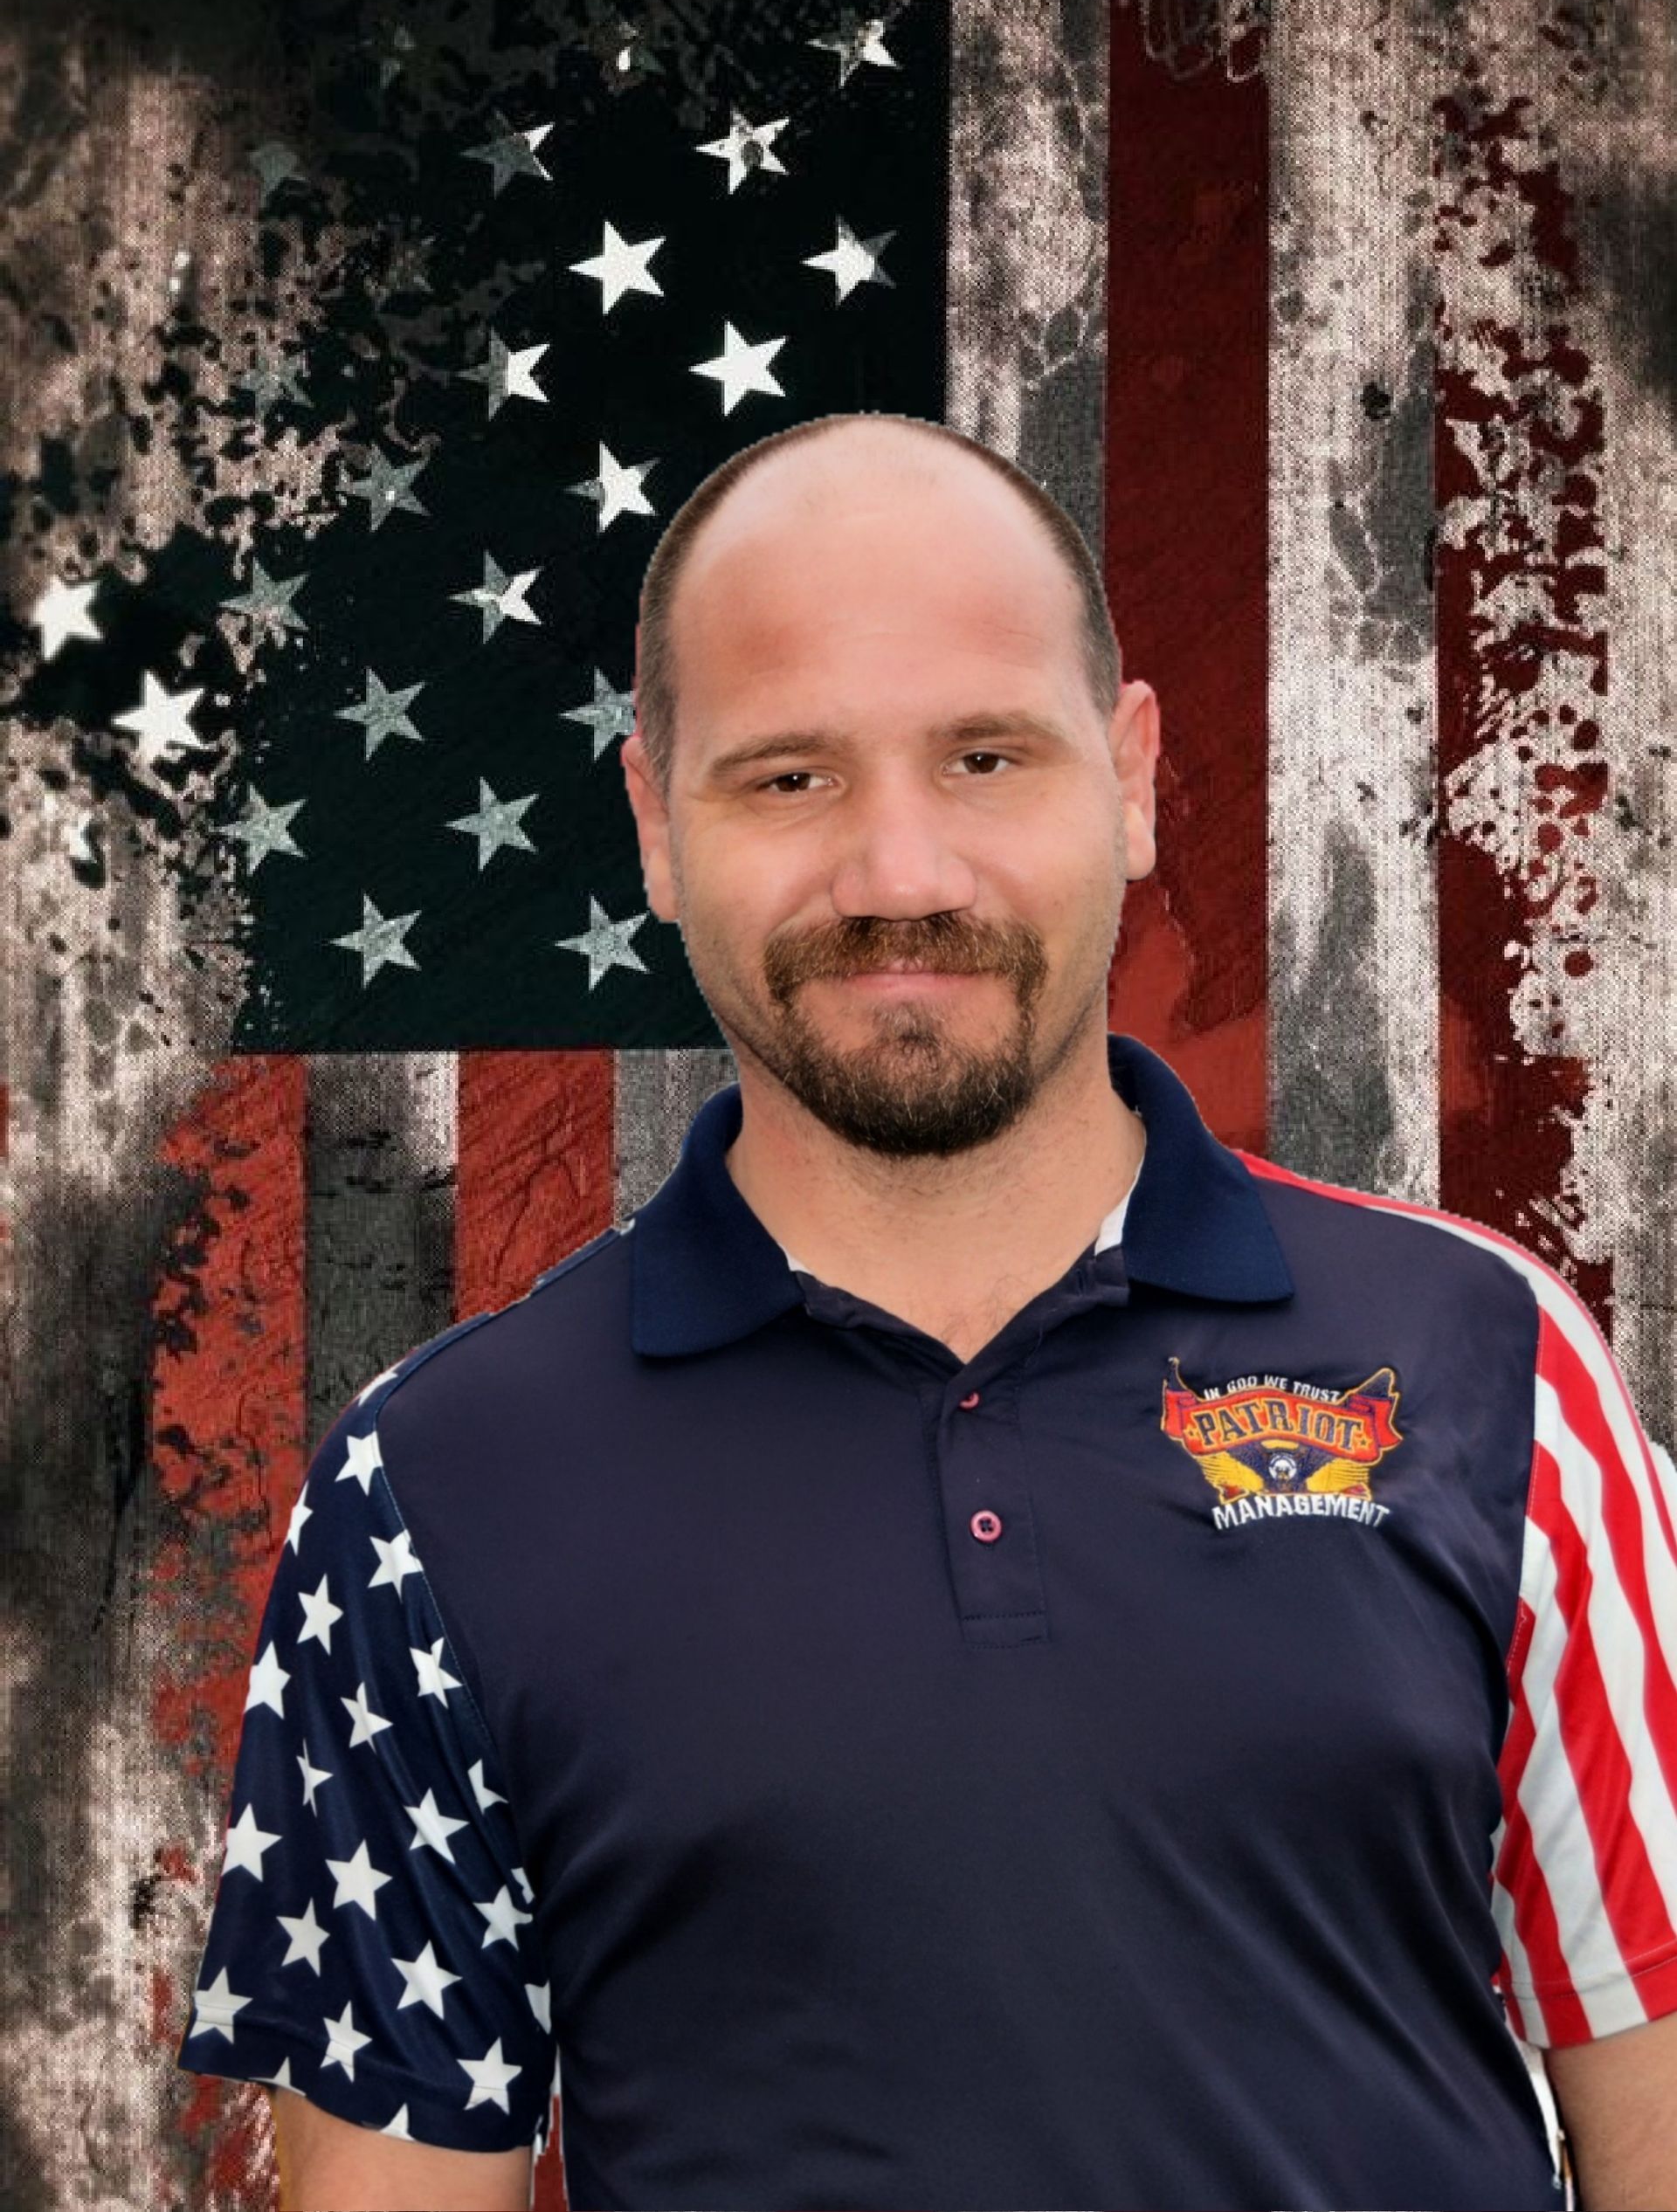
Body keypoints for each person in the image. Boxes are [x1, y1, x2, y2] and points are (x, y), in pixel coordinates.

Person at [176, 411, 1677, 2212]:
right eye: (790, 776)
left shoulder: (1492, 1360)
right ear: (656, 821)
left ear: (1130, 778)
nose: (900, 873)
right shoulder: (432, 1483)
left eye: (984, 756)